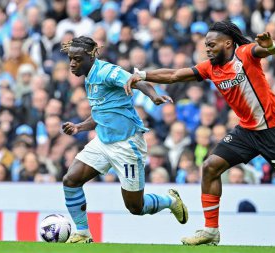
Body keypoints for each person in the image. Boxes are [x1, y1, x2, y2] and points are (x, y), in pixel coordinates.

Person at [125, 20, 275, 247]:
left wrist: (271, 45)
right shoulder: (209, 68)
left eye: (212, 44)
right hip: (247, 132)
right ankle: (211, 231)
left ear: (228, 43)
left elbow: (270, 50)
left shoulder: (245, 54)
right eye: (206, 45)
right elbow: (174, 74)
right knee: (210, 166)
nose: (207, 49)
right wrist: (142, 75)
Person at [60, 36, 188, 243]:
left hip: (127, 144)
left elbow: (136, 80)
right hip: (103, 141)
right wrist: (79, 127)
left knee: (135, 207)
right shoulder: (89, 76)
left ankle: (170, 201)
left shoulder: (107, 71)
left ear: (91, 56)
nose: (72, 64)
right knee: (71, 180)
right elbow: (103, 111)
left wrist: (153, 96)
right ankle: (82, 233)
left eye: (77, 59)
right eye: (70, 59)